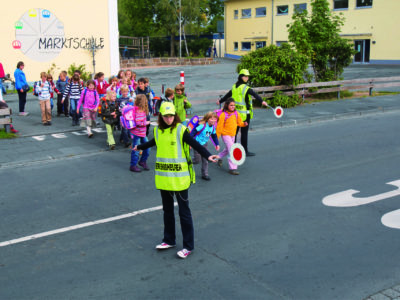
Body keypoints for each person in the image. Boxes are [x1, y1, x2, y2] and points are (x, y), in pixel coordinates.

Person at [135, 102, 219, 259]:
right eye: (166, 116)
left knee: (184, 212)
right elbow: (153, 142)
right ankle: (169, 240)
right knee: (167, 211)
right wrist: (139, 147)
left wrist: (208, 155)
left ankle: (188, 246)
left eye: (171, 116)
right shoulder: (158, 131)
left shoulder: (181, 129)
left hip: (180, 179)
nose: (169, 119)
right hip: (164, 179)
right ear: (161, 116)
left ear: (175, 115)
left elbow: (194, 143)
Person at [218, 69, 268, 156]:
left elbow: (228, 95)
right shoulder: (246, 88)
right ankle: (244, 151)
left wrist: (220, 101)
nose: (247, 78)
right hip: (245, 114)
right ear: (241, 77)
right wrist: (262, 101)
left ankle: (232, 149)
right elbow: (255, 95)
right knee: (244, 133)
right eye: (245, 76)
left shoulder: (234, 87)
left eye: (248, 76)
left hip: (234, 114)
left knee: (234, 133)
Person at [216, 98, 247, 175]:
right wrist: (216, 139)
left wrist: (244, 124)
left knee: (228, 149)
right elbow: (219, 127)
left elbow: (239, 122)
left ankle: (218, 157)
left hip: (233, 135)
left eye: (234, 105)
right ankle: (233, 168)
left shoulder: (236, 113)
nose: (233, 106)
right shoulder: (223, 115)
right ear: (227, 105)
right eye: (231, 105)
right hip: (225, 134)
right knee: (232, 150)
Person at [190, 111, 220, 181]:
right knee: (197, 160)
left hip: (205, 144)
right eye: (211, 119)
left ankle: (205, 174)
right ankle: (188, 161)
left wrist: (217, 144)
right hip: (197, 144)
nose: (213, 120)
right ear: (207, 119)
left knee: (205, 159)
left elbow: (214, 136)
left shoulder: (212, 127)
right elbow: (193, 133)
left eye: (214, 119)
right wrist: (190, 143)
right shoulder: (202, 125)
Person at [129, 94, 151, 172]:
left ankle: (142, 161)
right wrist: (146, 123)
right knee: (136, 149)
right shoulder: (138, 110)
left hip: (142, 133)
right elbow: (138, 122)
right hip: (137, 133)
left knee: (147, 147)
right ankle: (133, 165)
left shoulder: (142, 109)